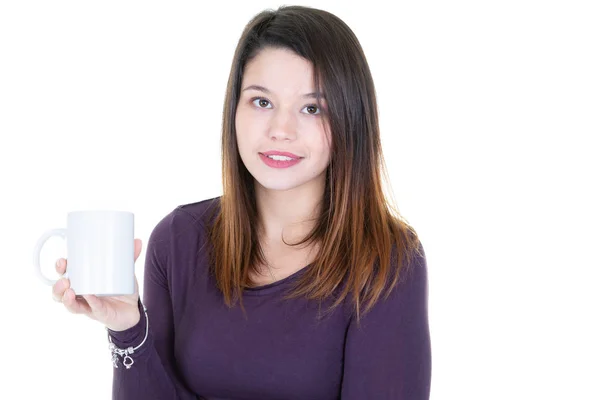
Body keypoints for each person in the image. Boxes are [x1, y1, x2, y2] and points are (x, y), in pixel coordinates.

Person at [52, 5, 431, 399]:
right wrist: (129, 328)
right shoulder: (178, 240)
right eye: (262, 102)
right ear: (234, 109)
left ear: (351, 121)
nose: (280, 130)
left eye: (312, 108)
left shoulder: (387, 260)